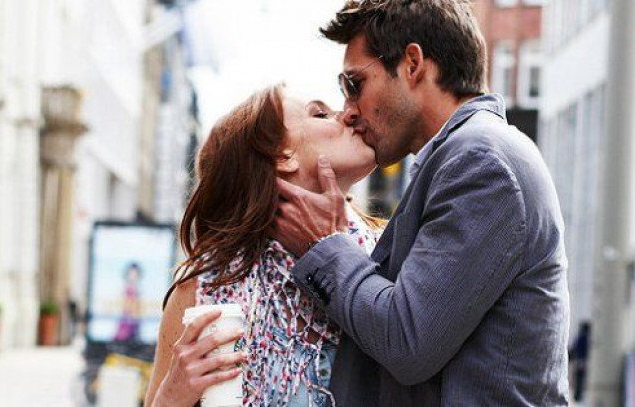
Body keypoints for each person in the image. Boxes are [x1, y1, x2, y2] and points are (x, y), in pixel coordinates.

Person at [274, 1, 570, 405]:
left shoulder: (482, 162)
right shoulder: (463, 157)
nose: (348, 111)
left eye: (355, 85)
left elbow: (406, 341)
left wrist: (324, 244)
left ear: (412, 64)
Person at [144, 84, 385, 407]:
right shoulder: (205, 289)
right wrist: (171, 397)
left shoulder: (392, 253)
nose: (349, 114)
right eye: (320, 114)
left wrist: (335, 252)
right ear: (282, 157)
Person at [114, 262, 143, 342]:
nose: (133, 276)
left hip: (134, 325)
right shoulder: (124, 290)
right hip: (124, 325)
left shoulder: (138, 291)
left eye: (135, 274)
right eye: (131, 274)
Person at [570, 322, 591, 402]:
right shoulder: (585, 337)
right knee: (580, 378)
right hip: (582, 360)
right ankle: (578, 396)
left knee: (577, 378)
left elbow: (574, 347)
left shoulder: (579, 337)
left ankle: (577, 395)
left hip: (578, 360)